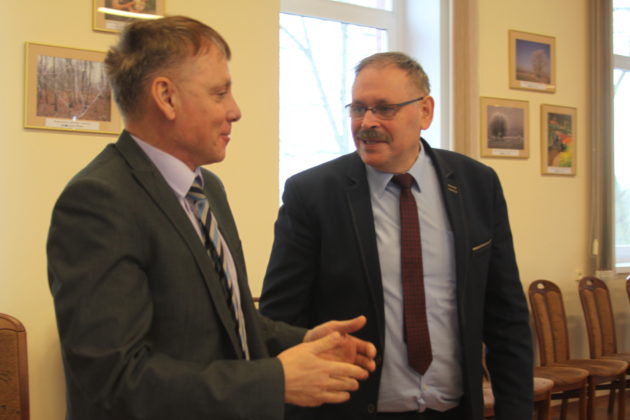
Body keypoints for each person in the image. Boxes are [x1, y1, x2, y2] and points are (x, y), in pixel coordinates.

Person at [47, 16, 376, 420]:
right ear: (166, 97)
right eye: (220, 93)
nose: (235, 111)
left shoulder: (208, 189)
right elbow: (116, 379)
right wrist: (274, 381)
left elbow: (226, 319)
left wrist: (303, 339)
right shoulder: (99, 201)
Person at [259, 52, 533, 420]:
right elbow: (281, 320)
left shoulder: (477, 185)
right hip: (351, 411)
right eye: (358, 109)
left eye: (384, 109)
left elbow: (506, 317)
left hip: (453, 408)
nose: (367, 123)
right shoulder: (312, 194)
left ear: (425, 111)